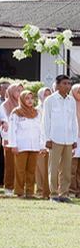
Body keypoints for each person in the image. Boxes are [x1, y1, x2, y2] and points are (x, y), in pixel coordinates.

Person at [41, 74, 78, 202]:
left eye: (69, 83)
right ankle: (54, 194)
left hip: (68, 139)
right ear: (57, 85)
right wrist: (47, 138)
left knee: (67, 168)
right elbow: (46, 120)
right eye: (64, 83)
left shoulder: (71, 101)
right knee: (54, 167)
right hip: (54, 139)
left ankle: (64, 194)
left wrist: (74, 139)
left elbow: (74, 121)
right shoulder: (50, 100)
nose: (67, 86)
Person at [7, 89, 45, 199]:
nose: (29, 101)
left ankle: (29, 192)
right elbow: (12, 130)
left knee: (31, 170)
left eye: (31, 98)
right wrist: (13, 145)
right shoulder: (16, 112)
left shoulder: (37, 113)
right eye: (27, 98)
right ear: (22, 100)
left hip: (34, 146)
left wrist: (42, 145)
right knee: (20, 170)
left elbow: (41, 130)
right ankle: (19, 191)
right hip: (21, 146)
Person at [0, 82, 22, 194]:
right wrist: (6, 138)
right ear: (11, 92)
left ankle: (18, 186)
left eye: (21, 91)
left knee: (20, 165)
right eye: (17, 90)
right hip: (9, 139)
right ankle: (8, 187)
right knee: (10, 165)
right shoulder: (5, 105)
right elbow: (3, 124)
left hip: (21, 139)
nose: (20, 93)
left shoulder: (22, 105)